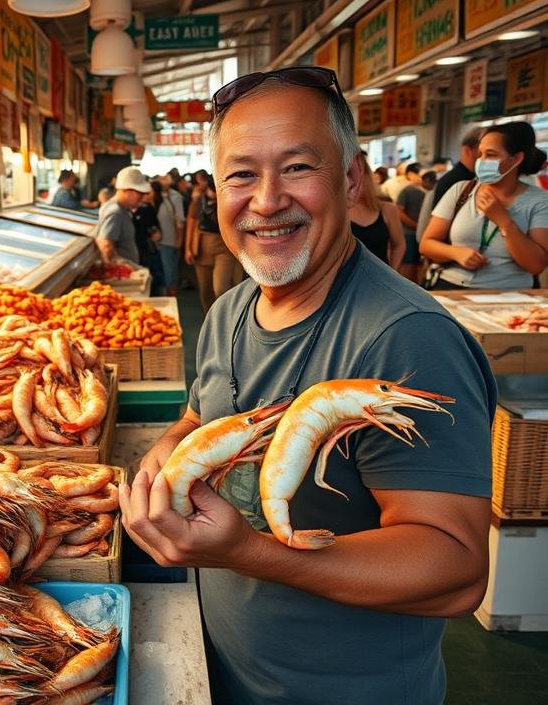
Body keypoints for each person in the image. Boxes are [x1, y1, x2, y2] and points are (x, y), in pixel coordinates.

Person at [119, 65, 495, 705]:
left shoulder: (405, 338)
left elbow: (454, 570)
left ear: (351, 180)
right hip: (228, 670)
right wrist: (170, 458)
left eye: (297, 167)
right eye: (241, 174)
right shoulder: (229, 309)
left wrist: (250, 553)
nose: (266, 200)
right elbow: (195, 418)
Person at [420, 121, 548, 290]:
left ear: (516, 159)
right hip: (452, 287)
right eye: (480, 154)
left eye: (491, 155)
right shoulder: (461, 190)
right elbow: (426, 244)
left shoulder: (541, 201)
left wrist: (504, 221)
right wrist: (456, 253)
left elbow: (536, 265)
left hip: (511, 295)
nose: (482, 161)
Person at [186, 170, 242, 312]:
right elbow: (190, 225)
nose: (214, 193)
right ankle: (210, 319)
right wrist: (187, 248)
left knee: (220, 288)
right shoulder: (198, 203)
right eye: (212, 189)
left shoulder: (228, 202)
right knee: (205, 290)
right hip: (201, 246)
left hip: (223, 248)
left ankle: (226, 318)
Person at [351, 152, 405, 268]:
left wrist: (391, 273)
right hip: (345, 283)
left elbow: (399, 244)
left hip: (381, 280)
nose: (353, 181)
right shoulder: (335, 212)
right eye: (347, 174)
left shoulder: (387, 209)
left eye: (359, 173)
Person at [95, 166, 144, 265]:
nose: (142, 197)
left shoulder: (120, 209)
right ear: (127, 191)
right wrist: (123, 268)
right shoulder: (115, 212)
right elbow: (106, 246)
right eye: (140, 193)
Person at [395, 164, 429, 283]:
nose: (422, 177)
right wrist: (415, 225)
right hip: (408, 233)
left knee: (418, 264)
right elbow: (398, 211)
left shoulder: (426, 191)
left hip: (421, 234)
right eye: (419, 174)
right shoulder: (406, 190)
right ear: (410, 175)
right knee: (408, 265)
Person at [134, 182, 166, 296]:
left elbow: (154, 228)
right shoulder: (140, 209)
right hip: (143, 248)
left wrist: (154, 233)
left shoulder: (147, 208)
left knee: (151, 277)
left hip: (146, 249)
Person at [156, 174, 186, 296]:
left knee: (170, 268)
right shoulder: (156, 195)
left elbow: (180, 220)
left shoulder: (175, 196)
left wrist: (179, 239)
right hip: (160, 240)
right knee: (166, 268)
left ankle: (171, 294)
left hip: (170, 239)